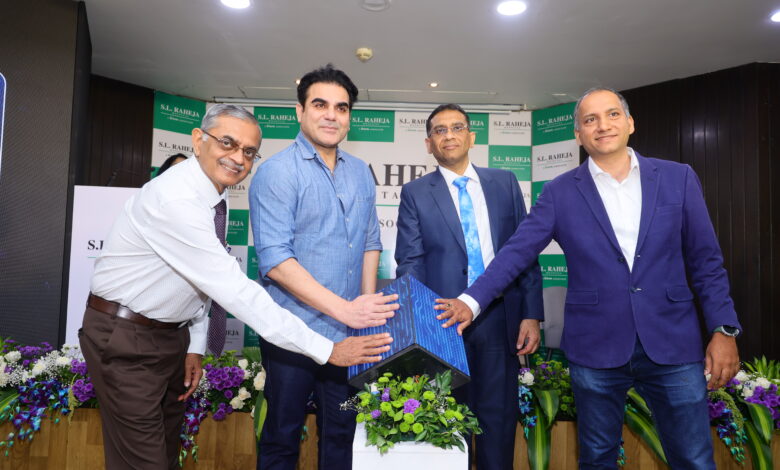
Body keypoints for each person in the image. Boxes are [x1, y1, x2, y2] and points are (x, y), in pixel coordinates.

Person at [439, 88, 741, 469]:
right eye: (590, 120)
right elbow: (516, 253)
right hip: (596, 347)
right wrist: (470, 302)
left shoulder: (678, 178)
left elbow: (706, 261)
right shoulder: (560, 192)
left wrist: (723, 329)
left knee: (694, 459)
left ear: (630, 123)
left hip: (672, 342)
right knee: (597, 460)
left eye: (612, 115)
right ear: (578, 135)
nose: (603, 126)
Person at [79, 103, 393, 470]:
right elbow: (234, 290)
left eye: (248, 151)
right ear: (198, 139)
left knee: (164, 452)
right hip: (126, 338)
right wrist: (329, 350)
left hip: (168, 336)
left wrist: (193, 345)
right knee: (143, 462)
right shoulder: (177, 199)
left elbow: (195, 283)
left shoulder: (214, 191)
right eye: (227, 143)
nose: (237, 158)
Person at [249, 64, 399, 470]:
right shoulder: (277, 172)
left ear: (349, 117)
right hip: (291, 336)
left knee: (342, 433)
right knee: (282, 435)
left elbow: (370, 242)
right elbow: (276, 261)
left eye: (341, 107)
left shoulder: (360, 173)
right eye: (320, 105)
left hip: (349, 338)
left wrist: (365, 310)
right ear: (300, 111)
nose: (331, 115)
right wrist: (346, 310)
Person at [394, 103, 543, 470]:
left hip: (499, 318)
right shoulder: (415, 192)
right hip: (443, 322)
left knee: (498, 421)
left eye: (457, 127)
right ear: (429, 143)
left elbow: (524, 252)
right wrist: (420, 324)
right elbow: (410, 261)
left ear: (471, 136)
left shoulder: (504, 183)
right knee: (447, 421)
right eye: (439, 130)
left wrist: (531, 314)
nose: (449, 135)